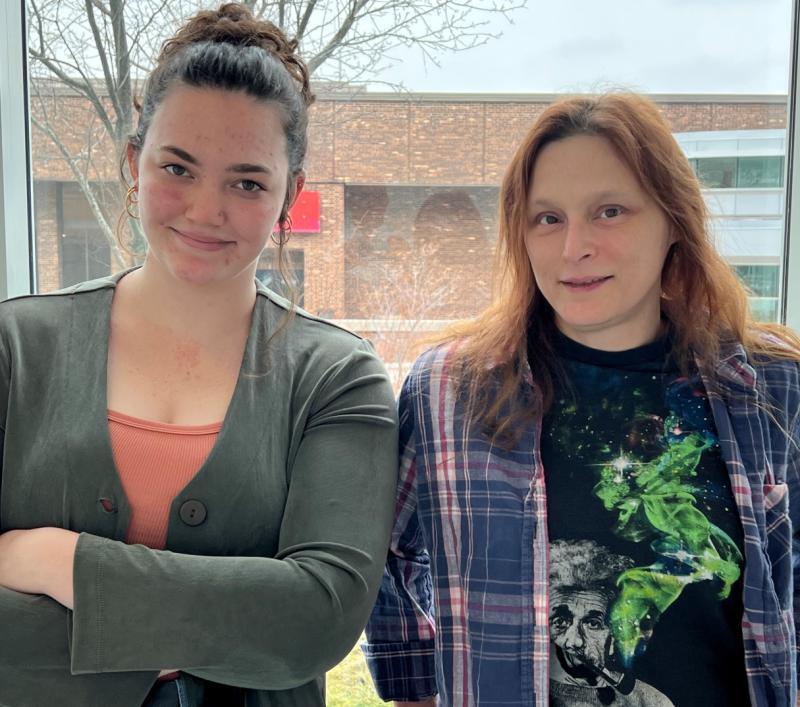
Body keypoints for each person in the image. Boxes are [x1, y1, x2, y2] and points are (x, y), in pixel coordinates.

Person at [0, 4, 397, 706]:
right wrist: (214, 628)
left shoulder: (337, 378)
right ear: (133, 163)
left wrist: (50, 559)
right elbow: (269, 626)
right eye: (178, 167)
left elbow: (316, 618)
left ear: (289, 195)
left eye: (246, 182)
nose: (206, 209)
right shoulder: (17, 348)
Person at [363, 93, 800, 707]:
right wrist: (414, 688)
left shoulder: (774, 388)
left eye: (610, 211)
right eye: (548, 218)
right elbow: (383, 552)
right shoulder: (447, 393)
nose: (574, 248)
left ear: (674, 220)